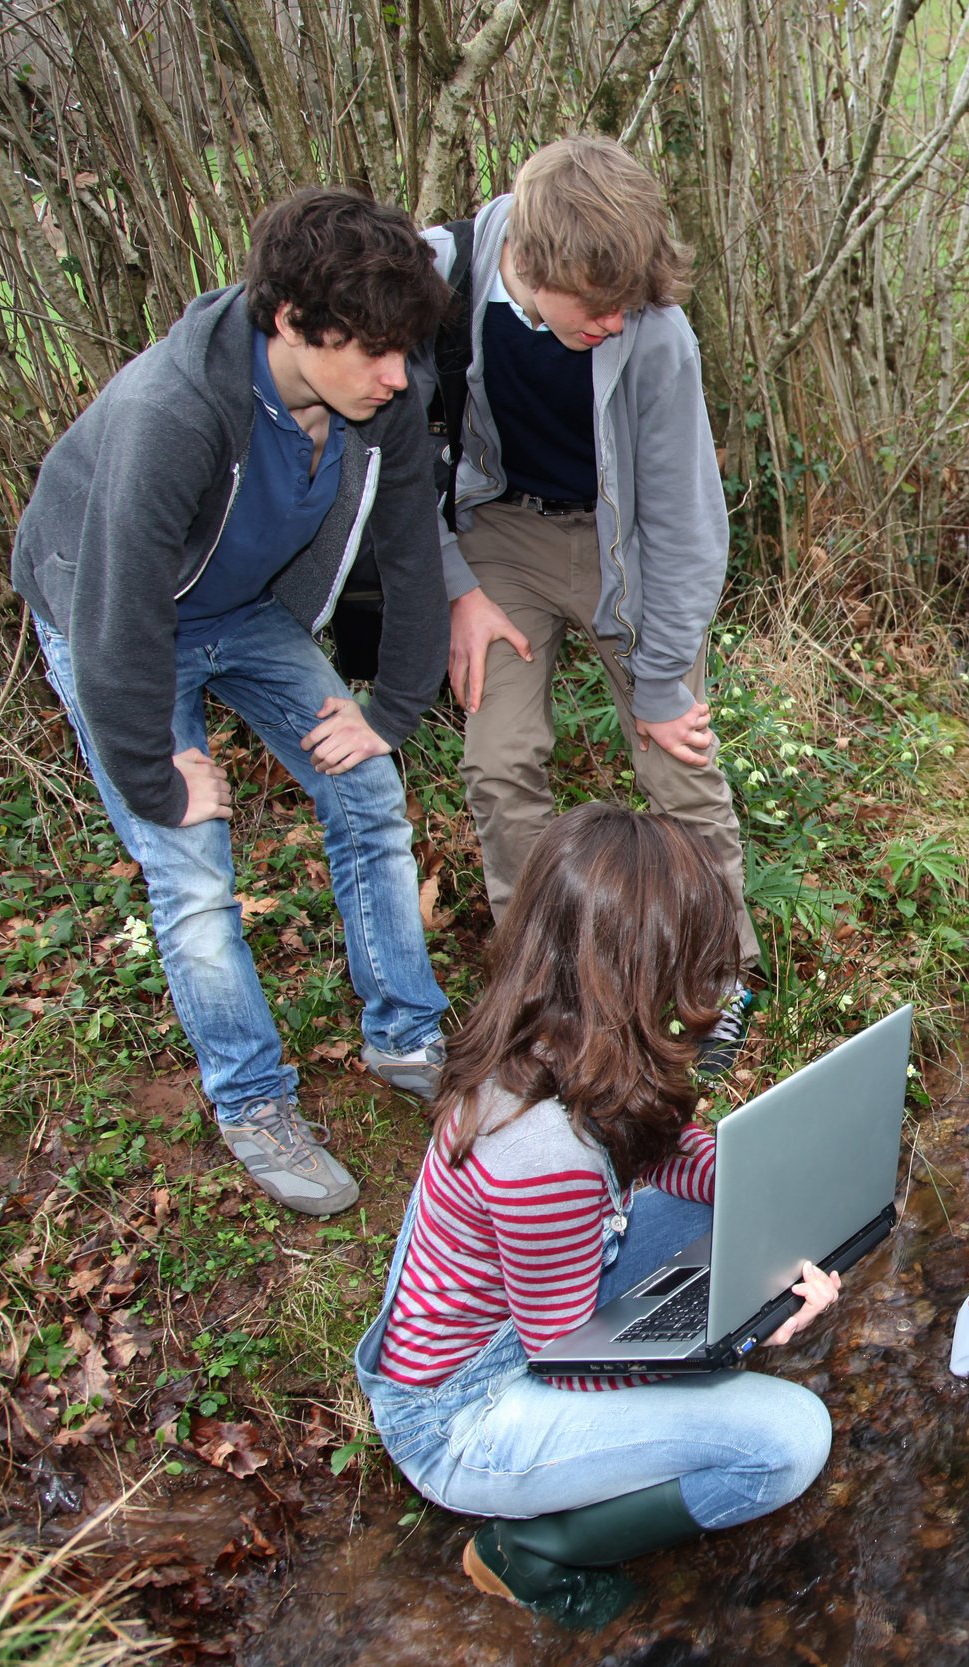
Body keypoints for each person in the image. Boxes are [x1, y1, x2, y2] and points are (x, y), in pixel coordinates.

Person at [9, 187, 456, 1218]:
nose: (399, 377)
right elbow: (116, 609)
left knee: (368, 791)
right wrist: (151, 772)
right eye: (376, 352)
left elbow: (411, 548)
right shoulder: (168, 413)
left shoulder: (379, 391)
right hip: (114, 611)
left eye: (406, 351)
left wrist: (389, 709)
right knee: (193, 868)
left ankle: (405, 1033)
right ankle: (253, 1100)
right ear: (292, 323)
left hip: (243, 607)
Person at [352, 802, 837, 1630]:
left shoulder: (563, 1036)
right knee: (789, 1440)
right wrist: (743, 1328)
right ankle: (532, 1549)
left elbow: (660, 1151)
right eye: (702, 959)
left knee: (716, 1232)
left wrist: (773, 1187)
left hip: (523, 1320)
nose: (718, 984)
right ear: (647, 969)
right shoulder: (544, 1155)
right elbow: (570, 1361)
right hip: (468, 1409)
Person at [424, 135, 756, 1061]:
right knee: (500, 763)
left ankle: (715, 977)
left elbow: (689, 520)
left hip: (630, 550)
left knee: (677, 758)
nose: (613, 324)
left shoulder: (656, 331)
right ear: (530, 265)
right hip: (504, 542)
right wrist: (455, 586)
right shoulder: (439, 278)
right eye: (595, 309)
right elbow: (392, 450)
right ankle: (542, 981)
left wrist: (660, 684)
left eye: (626, 306)